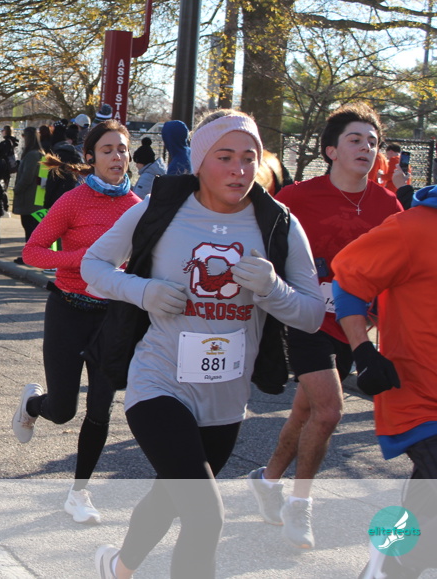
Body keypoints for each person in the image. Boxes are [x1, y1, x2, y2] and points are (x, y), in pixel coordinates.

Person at [81, 110, 324, 579]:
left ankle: (117, 568)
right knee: (206, 514)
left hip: (226, 398)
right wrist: (143, 291)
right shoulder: (159, 208)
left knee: (172, 496)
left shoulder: (278, 224)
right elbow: (94, 265)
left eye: (249, 158)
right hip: (159, 382)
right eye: (225, 157)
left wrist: (273, 289)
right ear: (199, 161)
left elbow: (312, 314)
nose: (239, 170)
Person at [247, 102, 404, 549]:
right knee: (330, 411)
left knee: (307, 412)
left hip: (353, 325)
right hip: (305, 316)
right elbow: (261, 238)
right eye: (355, 140)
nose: (366, 148)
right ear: (331, 150)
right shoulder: (298, 198)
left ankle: (267, 480)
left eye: (372, 142)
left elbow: (395, 264)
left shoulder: (388, 205)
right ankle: (300, 504)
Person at [13, 120, 141, 524]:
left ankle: (79, 493)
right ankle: (33, 404)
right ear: (91, 157)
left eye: (122, 149)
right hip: (68, 311)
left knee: (100, 408)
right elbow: (33, 252)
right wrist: (81, 260)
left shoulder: (137, 208)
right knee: (63, 410)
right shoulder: (73, 200)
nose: (117, 157)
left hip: (111, 318)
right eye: (107, 150)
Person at [332, 184, 437, 579]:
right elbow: (348, 278)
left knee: (425, 509)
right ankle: (395, 558)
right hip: (421, 400)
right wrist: (363, 351)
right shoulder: (414, 228)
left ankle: (391, 557)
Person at [11, 126, 46, 262]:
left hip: (29, 197)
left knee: (30, 228)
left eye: (24, 136)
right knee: (33, 228)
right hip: (37, 196)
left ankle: (30, 256)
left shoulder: (32, 155)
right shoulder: (41, 154)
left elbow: (27, 177)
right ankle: (33, 255)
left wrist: (17, 189)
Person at [0, 124, 19, 189]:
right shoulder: (12, 142)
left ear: (6, 131)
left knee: (0, 185)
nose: (1, 132)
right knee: (6, 184)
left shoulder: (5, 143)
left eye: (3, 130)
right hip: (9, 166)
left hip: (3, 166)